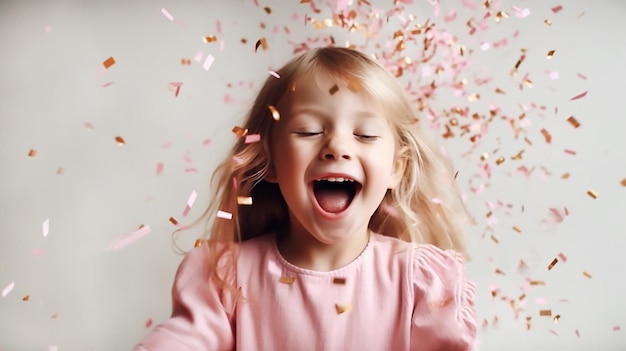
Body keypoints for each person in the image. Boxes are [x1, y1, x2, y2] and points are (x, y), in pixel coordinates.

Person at [134, 46, 477, 351]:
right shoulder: (224, 276)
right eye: (310, 131)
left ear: (395, 169)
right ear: (269, 160)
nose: (337, 147)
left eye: (365, 134)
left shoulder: (423, 281)